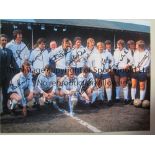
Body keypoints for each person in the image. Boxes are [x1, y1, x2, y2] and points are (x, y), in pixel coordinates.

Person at [0, 34, 19, 114]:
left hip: (7, 76)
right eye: (2, 40)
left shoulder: (9, 51)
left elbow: (14, 63)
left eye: (5, 40)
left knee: (6, 93)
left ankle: (5, 109)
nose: (4, 41)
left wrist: (19, 72)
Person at [113, 39, 133, 104]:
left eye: (120, 45)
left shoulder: (126, 51)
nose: (118, 46)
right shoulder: (115, 51)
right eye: (117, 45)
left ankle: (126, 99)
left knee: (123, 84)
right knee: (117, 83)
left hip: (123, 69)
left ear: (123, 45)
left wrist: (127, 65)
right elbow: (113, 60)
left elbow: (132, 60)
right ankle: (117, 98)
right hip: (116, 69)